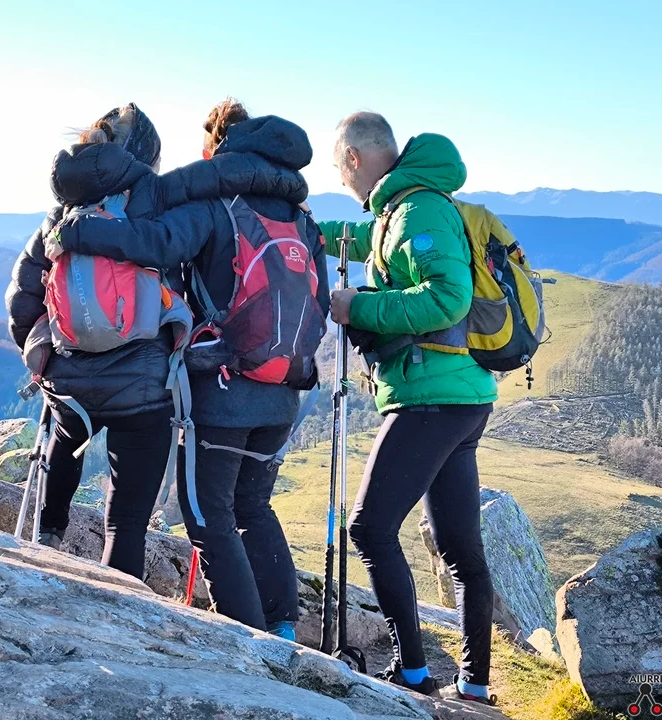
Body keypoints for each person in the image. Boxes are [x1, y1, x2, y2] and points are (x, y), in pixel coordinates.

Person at [46, 100, 329, 639]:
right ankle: (284, 631)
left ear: (220, 152)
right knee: (253, 507)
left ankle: (252, 648)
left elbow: (155, 244)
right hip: (284, 390)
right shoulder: (301, 219)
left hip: (223, 390)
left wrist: (77, 236)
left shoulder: (218, 207)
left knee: (208, 518)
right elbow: (314, 306)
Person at [318, 112, 498, 705]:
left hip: (432, 398)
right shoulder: (401, 209)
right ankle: (473, 686)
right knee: (460, 549)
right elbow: (364, 239)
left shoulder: (418, 210)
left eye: (338, 166)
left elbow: (448, 298)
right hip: (459, 397)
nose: (341, 179)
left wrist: (358, 308)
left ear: (353, 158)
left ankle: (413, 673)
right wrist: (301, 228)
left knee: (369, 529)